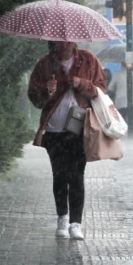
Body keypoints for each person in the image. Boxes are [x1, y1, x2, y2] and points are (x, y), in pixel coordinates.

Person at [28, 41, 106, 240]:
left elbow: (101, 90)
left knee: (77, 175)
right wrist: (47, 91)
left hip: (80, 129)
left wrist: (82, 84)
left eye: (68, 40)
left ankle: (76, 223)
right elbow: (35, 99)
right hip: (53, 131)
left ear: (74, 41)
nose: (65, 45)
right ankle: (62, 218)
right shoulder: (45, 64)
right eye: (60, 41)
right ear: (53, 43)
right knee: (60, 175)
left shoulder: (88, 60)